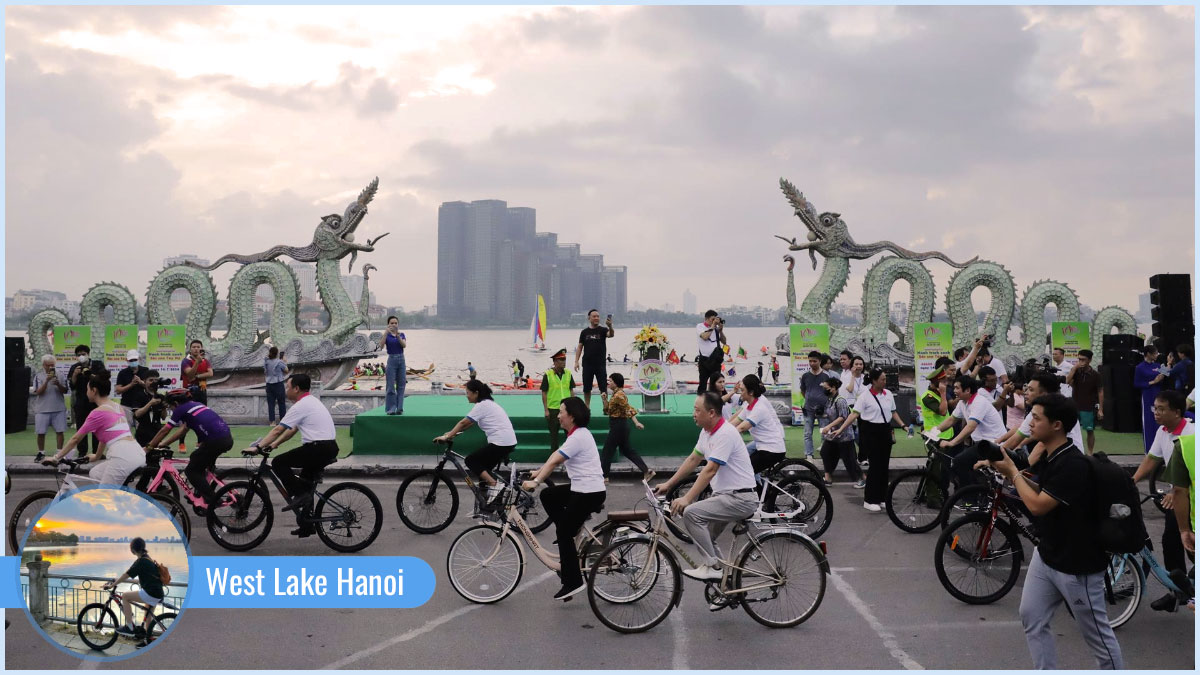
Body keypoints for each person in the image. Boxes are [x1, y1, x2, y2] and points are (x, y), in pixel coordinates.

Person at [986, 394, 1123, 670]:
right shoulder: (1051, 455)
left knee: (1097, 636)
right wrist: (1008, 474)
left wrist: (1013, 473)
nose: (1030, 423)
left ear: (1057, 424)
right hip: (1048, 553)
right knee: (1031, 616)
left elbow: (1038, 506)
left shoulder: (1073, 463)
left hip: (1077, 565)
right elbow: (1044, 493)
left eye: (1036, 418)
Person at [654, 392, 758, 582]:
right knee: (706, 539)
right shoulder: (707, 432)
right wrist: (669, 484)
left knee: (692, 514)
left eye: (697, 410)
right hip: (726, 497)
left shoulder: (725, 433)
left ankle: (712, 567)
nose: (693, 414)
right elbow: (694, 459)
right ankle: (723, 581)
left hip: (740, 498)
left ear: (711, 413)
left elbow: (710, 469)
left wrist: (687, 499)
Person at [521, 396, 606, 600]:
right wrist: (538, 472)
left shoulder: (578, 437)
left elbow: (555, 460)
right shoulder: (577, 435)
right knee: (549, 495)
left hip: (588, 492)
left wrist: (537, 480)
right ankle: (570, 531)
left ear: (572, 416)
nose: (558, 416)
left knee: (564, 531)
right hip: (584, 488)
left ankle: (572, 581)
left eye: (561, 412)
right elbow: (554, 460)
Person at [246, 374, 339, 537]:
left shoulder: (301, 405)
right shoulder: (311, 401)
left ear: (296, 389)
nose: (286, 390)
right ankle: (307, 524)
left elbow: (278, 429)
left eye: (288, 387)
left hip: (318, 448)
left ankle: (301, 496)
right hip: (328, 447)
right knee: (306, 483)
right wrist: (274, 444)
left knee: (279, 463)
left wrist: (258, 447)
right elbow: (292, 429)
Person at [1130, 389, 1193, 611]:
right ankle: (1178, 591)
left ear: (1177, 412)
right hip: (1180, 497)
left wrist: (1176, 490)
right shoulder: (1163, 431)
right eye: (1154, 408)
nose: (1156, 413)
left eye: (1161, 409)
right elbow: (1152, 459)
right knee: (1170, 542)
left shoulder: (1192, 433)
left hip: (1190, 499)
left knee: (1190, 547)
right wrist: (1132, 480)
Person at [144, 388, 234, 516]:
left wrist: (149, 447)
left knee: (191, 471)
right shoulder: (196, 405)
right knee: (196, 458)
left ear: (175, 403)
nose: (172, 409)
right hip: (225, 439)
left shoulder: (180, 409)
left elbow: (165, 430)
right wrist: (163, 444)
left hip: (215, 442)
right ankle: (201, 494)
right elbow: (183, 430)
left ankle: (213, 500)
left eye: (170, 407)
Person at [43, 371, 144, 485]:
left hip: (122, 457)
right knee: (95, 473)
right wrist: (97, 456)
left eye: (87, 389)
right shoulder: (117, 406)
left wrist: (56, 458)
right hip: (136, 452)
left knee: (104, 497)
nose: (87, 392)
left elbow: (76, 439)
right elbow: (106, 435)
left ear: (94, 390)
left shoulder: (97, 413)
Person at [434, 380, 518, 508]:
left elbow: (463, 423)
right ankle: (488, 506)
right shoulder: (487, 404)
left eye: (467, 392)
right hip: (506, 441)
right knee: (483, 471)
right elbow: (470, 423)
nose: (466, 395)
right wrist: (452, 433)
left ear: (476, 393)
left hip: (501, 442)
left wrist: (447, 436)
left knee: (471, 461)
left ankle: (496, 486)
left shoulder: (482, 405)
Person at [831, 368, 904, 513]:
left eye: (885, 379)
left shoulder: (888, 394)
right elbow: (854, 415)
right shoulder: (864, 396)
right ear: (874, 381)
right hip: (871, 432)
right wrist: (841, 429)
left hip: (885, 431)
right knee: (875, 466)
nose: (885, 381)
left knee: (884, 466)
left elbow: (893, 412)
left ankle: (882, 497)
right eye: (882, 379)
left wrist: (903, 425)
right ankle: (870, 499)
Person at [930, 374, 1009, 490]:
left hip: (993, 444)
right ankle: (977, 493)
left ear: (967, 390)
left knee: (959, 461)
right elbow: (952, 419)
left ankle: (970, 497)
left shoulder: (979, 402)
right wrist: (933, 432)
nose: (954, 391)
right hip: (981, 444)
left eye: (957, 388)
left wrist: (952, 442)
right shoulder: (963, 402)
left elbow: (971, 426)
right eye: (954, 388)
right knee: (967, 465)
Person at [999, 373, 1083, 466]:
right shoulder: (1038, 410)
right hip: (1053, 460)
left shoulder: (1055, 409)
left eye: (1031, 390)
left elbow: (1041, 446)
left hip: (1068, 463)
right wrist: (994, 454)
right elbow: (1017, 437)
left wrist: (1019, 474)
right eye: (1026, 388)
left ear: (1044, 394)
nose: (1025, 392)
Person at [103, 537, 164, 639]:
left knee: (125, 596)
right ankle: (147, 640)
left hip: (151, 593)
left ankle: (129, 627)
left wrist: (111, 585)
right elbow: (139, 578)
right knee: (148, 617)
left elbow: (126, 574)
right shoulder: (147, 558)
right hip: (157, 592)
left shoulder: (140, 561)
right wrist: (117, 580)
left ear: (132, 550)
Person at [729, 374, 786, 479]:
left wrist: (726, 435)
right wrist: (720, 430)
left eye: (742, 390)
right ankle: (759, 490)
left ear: (750, 392)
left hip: (772, 449)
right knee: (745, 464)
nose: (740, 393)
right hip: (763, 445)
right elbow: (736, 420)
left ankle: (758, 493)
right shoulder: (749, 405)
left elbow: (742, 427)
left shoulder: (759, 407)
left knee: (746, 471)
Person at [599, 373, 650, 480]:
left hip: (619, 425)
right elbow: (608, 411)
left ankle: (604, 477)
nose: (609, 383)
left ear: (616, 383)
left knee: (607, 451)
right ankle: (646, 471)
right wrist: (604, 399)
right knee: (627, 450)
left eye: (611, 381)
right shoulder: (615, 394)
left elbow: (628, 409)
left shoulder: (619, 395)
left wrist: (636, 422)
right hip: (618, 425)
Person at [817, 377, 864, 488]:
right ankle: (828, 478)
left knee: (849, 460)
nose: (824, 389)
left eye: (826, 387)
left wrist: (828, 426)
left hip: (844, 435)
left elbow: (843, 417)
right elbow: (830, 414)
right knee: (825, 453)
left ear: (833, 388)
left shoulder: (840, 400)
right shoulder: (830, 399)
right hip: (833, 435)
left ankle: (863, 478)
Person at [1063, 349, 1103, 454]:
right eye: (1079, 359)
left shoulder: (1096, 375)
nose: (1081, 361)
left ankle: (1090, 453)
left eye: (1083, 359)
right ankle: (1070, 451)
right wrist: (1074, 368)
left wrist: (1101, 410)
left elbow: (1100, 392)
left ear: (1089, 360)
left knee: (1089, 430)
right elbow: (1067, 381)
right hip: (1074, 406)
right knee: (1070, 430)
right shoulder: (1076, 371)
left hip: (1089, 406)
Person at [67, 344, 104, 457]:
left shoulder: (97, 364)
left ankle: (96, 453)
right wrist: (75, 375)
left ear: (88, 354)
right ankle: (82, 452)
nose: (81, 356)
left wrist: (90, 374)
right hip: (81, 401)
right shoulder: (75, 367)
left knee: (97, 428)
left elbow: (103, 380)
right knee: (81, 428)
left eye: (83, 354)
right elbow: (72, 386)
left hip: (95, 401)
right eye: (79, 355)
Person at [31, 355, 67, 463]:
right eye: (48, 365)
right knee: (40, 432)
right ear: (43, 365)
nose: (51, 367)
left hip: (58, 408)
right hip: (42, 409)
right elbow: (38, 392)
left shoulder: (60, 374)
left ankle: (59, 453)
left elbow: (65, 390)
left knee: (60, 431)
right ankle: (41, 453)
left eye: (53, 365)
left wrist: (58, 384)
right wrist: (46, 381)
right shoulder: (38, 376)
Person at [575, 309, 615, 408]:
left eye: (598, 316)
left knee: (603, 386)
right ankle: (587, 406)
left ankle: (605, 405)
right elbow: (580, 347)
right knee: (587, 387)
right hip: (587, 364)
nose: (596, 318)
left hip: (600, 364)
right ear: (589, 318)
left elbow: (611, 335)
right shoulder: (584, 332)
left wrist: (610, 326)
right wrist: (576, 361)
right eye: (594, 316)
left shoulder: (603, 330)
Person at [179, 339, 213, 451]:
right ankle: (181, 443)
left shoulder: (205, 361)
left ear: (201, 348)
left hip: (202, 391)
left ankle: (199, 442)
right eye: (194, 347)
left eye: (198, 347)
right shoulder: (186, 361)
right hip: (189, 393)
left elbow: (210, 373)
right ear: (190, 349)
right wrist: (197, 363)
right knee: (187, 419)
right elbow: (189, 375)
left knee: (202, 418)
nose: (196, 349)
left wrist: (198, 377)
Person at [800, 350, 835, 460]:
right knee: (807, 433)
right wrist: (809, 398)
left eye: (814, 361)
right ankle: (809, 454)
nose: (812, 363)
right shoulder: (805, 376)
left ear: (819, 361)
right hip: (808, 409)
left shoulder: (826, 376)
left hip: (823, 409)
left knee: (824, 432)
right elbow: (803, 390)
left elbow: (830, 392)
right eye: (810, 361)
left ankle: (825, 453)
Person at [541, 349, 576, 452]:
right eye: (561, 360)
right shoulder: (548, 375)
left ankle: (569, 455)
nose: (564, 362)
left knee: (569, 434)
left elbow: (571, 390)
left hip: (567, 408)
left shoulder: (568, 373)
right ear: (555, 362)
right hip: (553, 409)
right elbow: (544, 392)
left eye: (564, 359)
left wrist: (573, 406)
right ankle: (554, 457)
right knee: (554, 435)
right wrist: (546, 409)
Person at [1135, 344, 1169, 452]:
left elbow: (1168, 373)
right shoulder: (1140, 367)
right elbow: (1137, 384)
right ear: (1148, 354)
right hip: (1147, 396)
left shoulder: (1158, 365)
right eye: (1155, 353)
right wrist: (1153, 382)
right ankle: (1149, 451)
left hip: (1159, 395)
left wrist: (1168, 363)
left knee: (1160, 422)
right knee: (1149, 421)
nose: (1157, 355)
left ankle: (1161, 449)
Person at [376, 315, 407, 415]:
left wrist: (397, 335)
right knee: (390, 385)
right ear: (388, 324)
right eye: (391, 323)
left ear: (398, 324)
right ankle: (390, 409)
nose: (394, 325)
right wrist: (386, 333)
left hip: (401, 359)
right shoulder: (387, 336)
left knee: (401, 385)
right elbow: (380, 346)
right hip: (391, 360)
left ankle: (399, 408)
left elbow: (404, 345)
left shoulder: (401, 334)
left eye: (395, 323)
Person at [115, 349, 151, 430]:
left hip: (142, 406)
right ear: (127, 360)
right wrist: (131, 384)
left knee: (142, 431)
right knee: (125, 431)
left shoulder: (145, 371)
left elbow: (151, 387)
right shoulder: (123, 373)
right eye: (131, 360)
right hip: (126, 406)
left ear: (139, 359)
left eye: (135, 360)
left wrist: (140, 382)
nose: (133, 361)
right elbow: (118, 390)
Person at [131, 370, 166, 448]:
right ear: (144, 381)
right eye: (150, 380)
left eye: (156, 380)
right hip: (142, 433)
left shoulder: (160, 396)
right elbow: (137, 414)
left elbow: (163, 417)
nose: (153, 382)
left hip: (157, 433)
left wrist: (164, 408)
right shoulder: (139, 395)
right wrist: (150, 403)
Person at [695, 310, 726, 395]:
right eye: (712, 319)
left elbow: (724, 342)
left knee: (718, 383)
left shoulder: (716, 329)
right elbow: (705, 337)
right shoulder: (700, 326)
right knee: (703, 384)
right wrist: (712, 326)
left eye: (715, 319)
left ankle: (719, 401)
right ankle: (701, 402)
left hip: (715, 360)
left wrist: (720, 331)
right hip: (704, 360)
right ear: (706, 319)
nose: (714, 321)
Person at [263, 346, 290, 423]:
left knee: (271, 404)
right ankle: (282, 420)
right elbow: (286, 370)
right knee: (281, 402)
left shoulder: (266, 361)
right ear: (277, 353)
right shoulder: (279, 362)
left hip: (269, 384)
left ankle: (272, 422)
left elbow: (265, 372)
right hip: (278, 384)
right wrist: (285, 362)